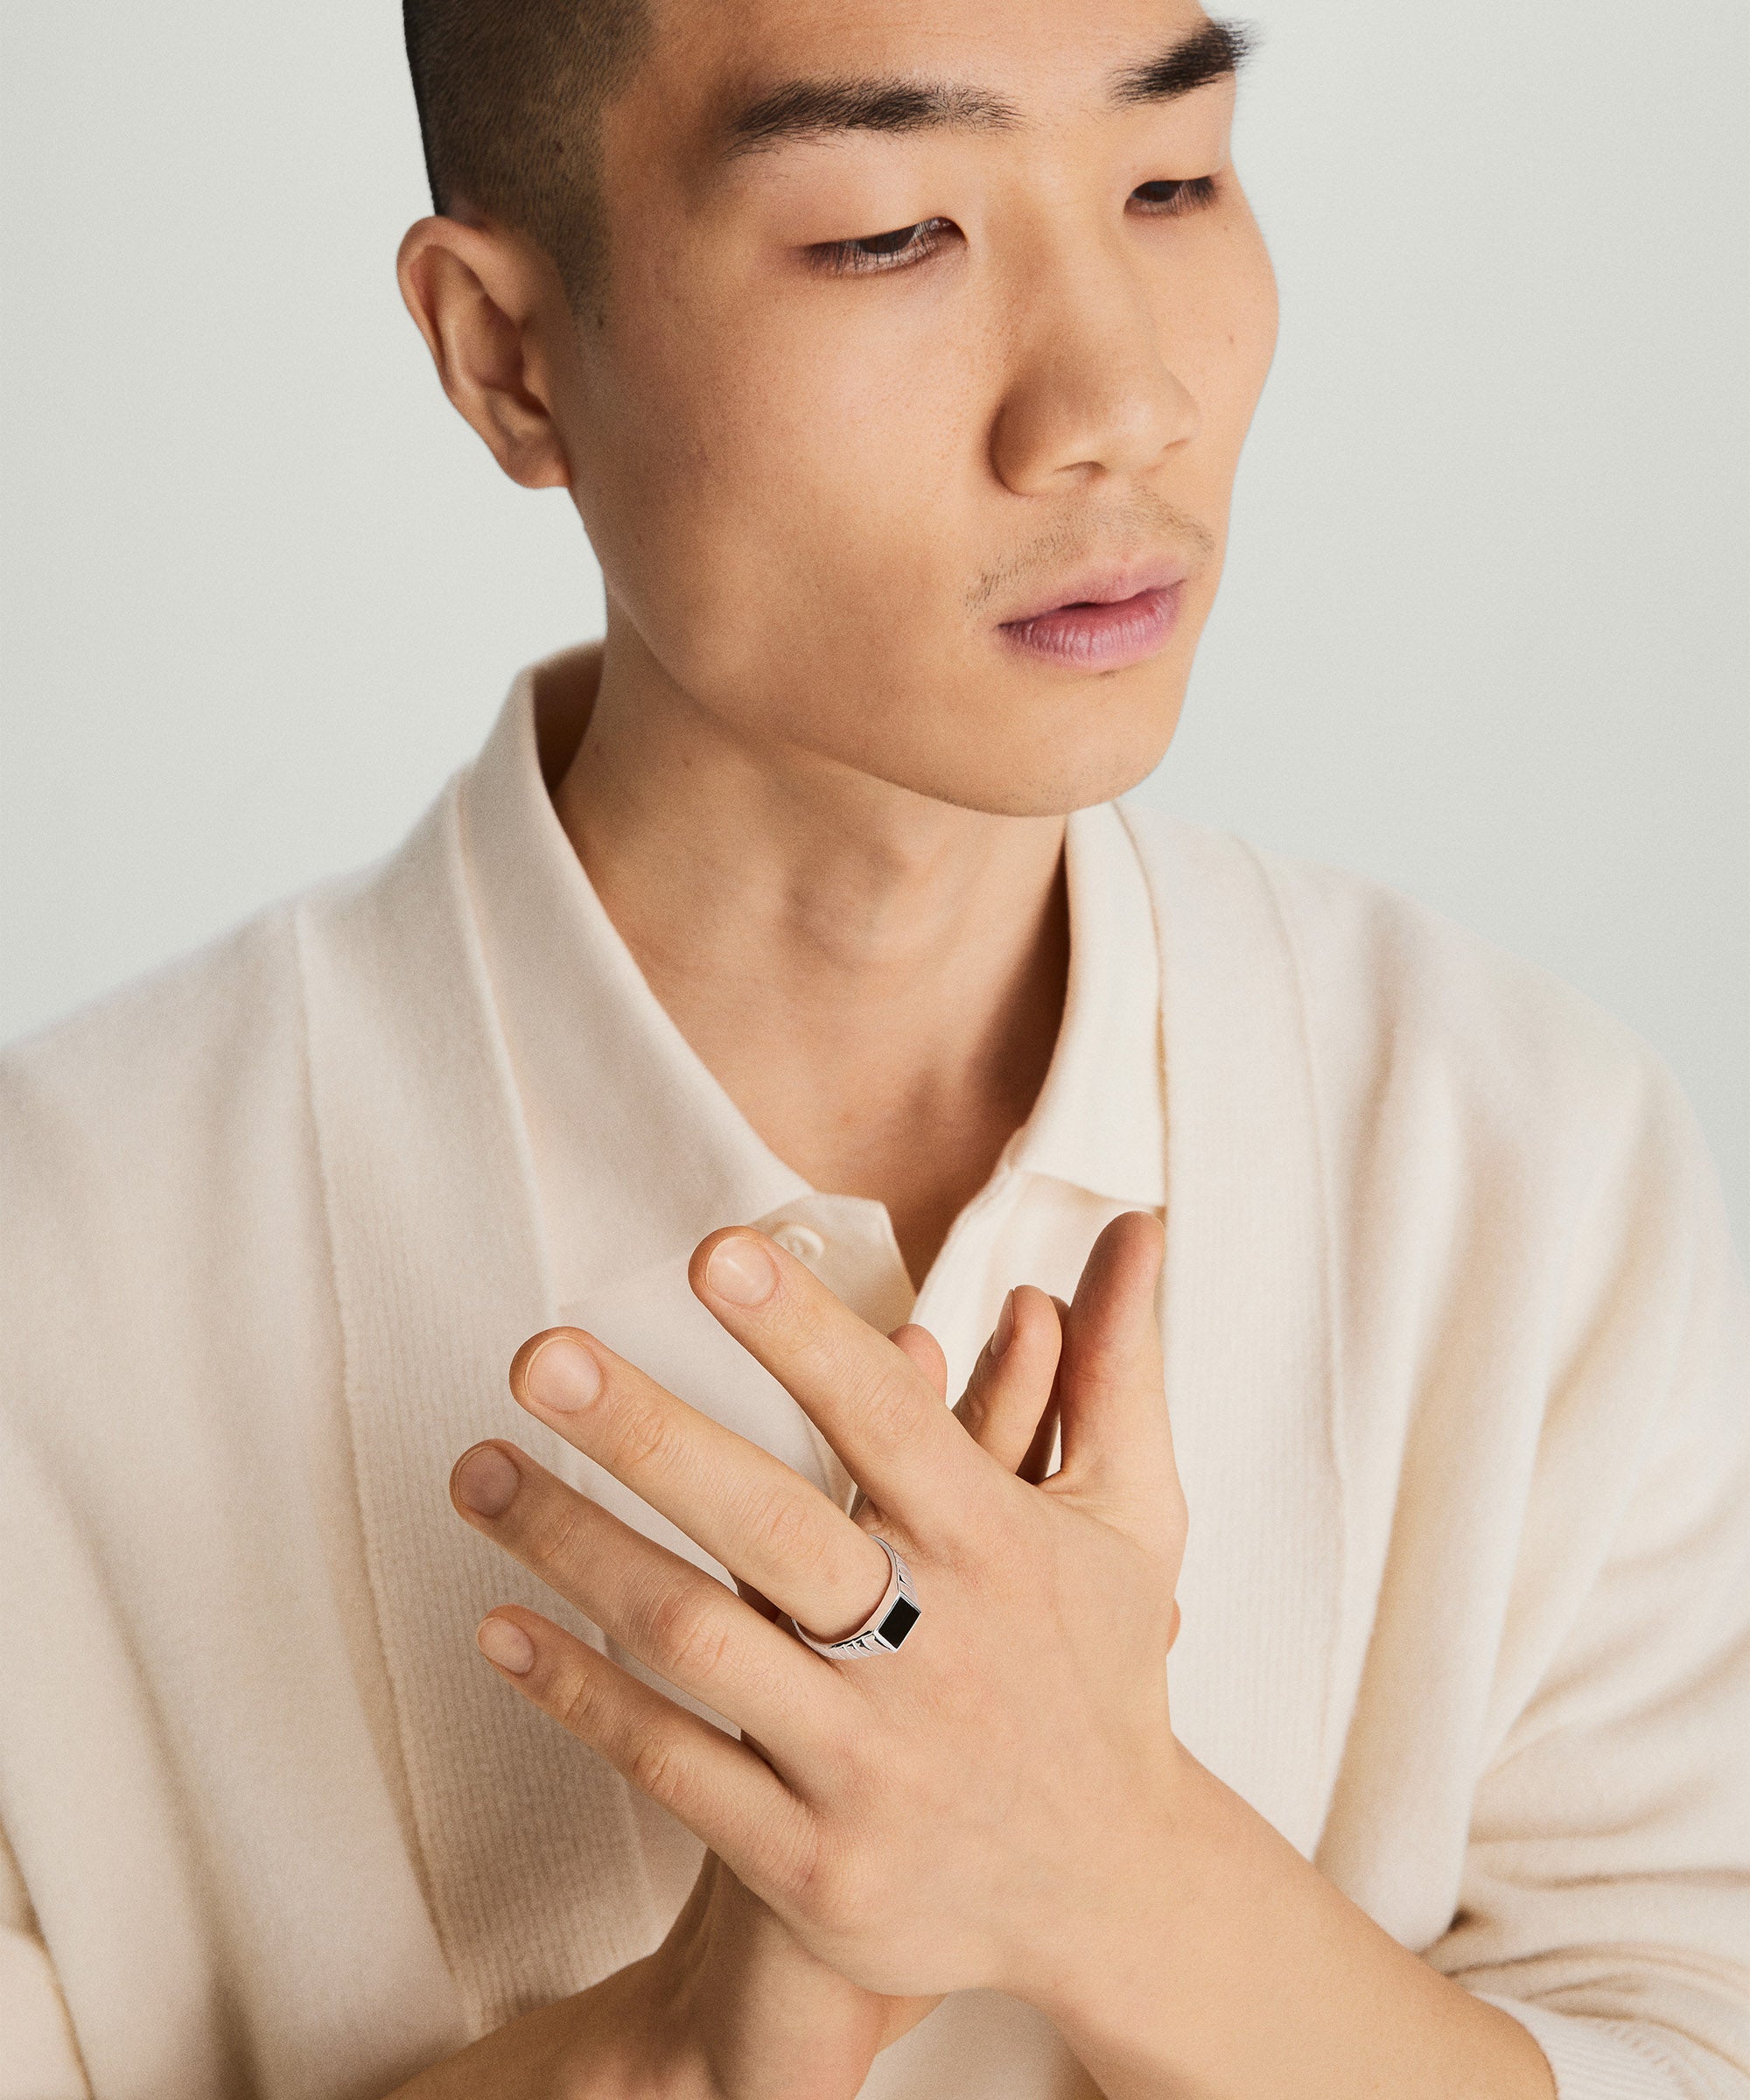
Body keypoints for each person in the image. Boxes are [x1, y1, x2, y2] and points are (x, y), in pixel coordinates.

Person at [2, 0, 1746, 2094]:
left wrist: (1123, 1881)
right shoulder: (53, 1291)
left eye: (1172, 179)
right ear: (508, 355)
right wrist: (677, 2055)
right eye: (891, 233)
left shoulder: (1524, 1164)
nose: (1118, 404)